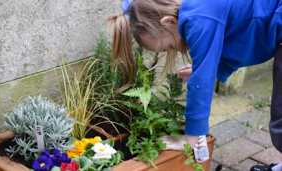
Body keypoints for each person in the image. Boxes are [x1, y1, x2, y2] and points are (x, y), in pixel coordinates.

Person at [106, 0, 282, 170]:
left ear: (169, 22)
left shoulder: (197, 18)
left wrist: (190, 139)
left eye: (169, 47)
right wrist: (206, 68)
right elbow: (241, 41)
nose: (174, 51)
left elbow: (200, 84)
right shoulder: (200, 12)